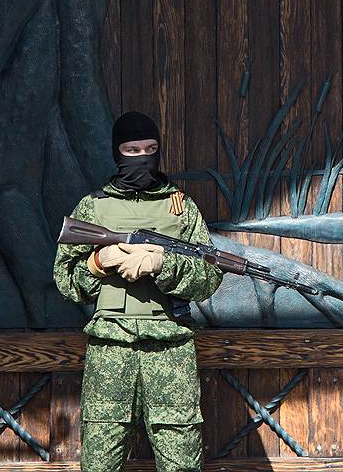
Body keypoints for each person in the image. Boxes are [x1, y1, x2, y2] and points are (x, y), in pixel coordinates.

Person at [53, 111, 223, 472]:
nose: (142, 157)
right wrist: (98, 262)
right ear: (117, 154)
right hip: (110, 349)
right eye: (132, 150)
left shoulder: (181, 208)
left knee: (182, 460)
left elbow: (209, 278)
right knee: (101, 458)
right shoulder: (93, 208)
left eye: (151, 148)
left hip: (170, 348)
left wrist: (163, 265)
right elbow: (66, 281)